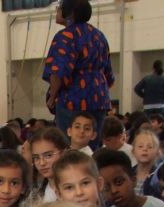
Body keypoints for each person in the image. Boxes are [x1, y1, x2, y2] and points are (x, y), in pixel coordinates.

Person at [43, 0, 114, 147]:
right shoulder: (99, 36)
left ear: (70, 13)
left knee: (69, 146)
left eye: (59, 8)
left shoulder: (65, 36)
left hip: (73, 98)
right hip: (99, 98)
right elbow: (108, 74)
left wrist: (52, 97)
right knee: (92, 147)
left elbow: (58, 72)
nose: (57, 11)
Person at [28, 126, 69, 203]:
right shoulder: (35, 196)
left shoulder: (76, 192)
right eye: (36, 157)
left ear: (63, 153)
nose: (42, 163)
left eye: (48, 155)